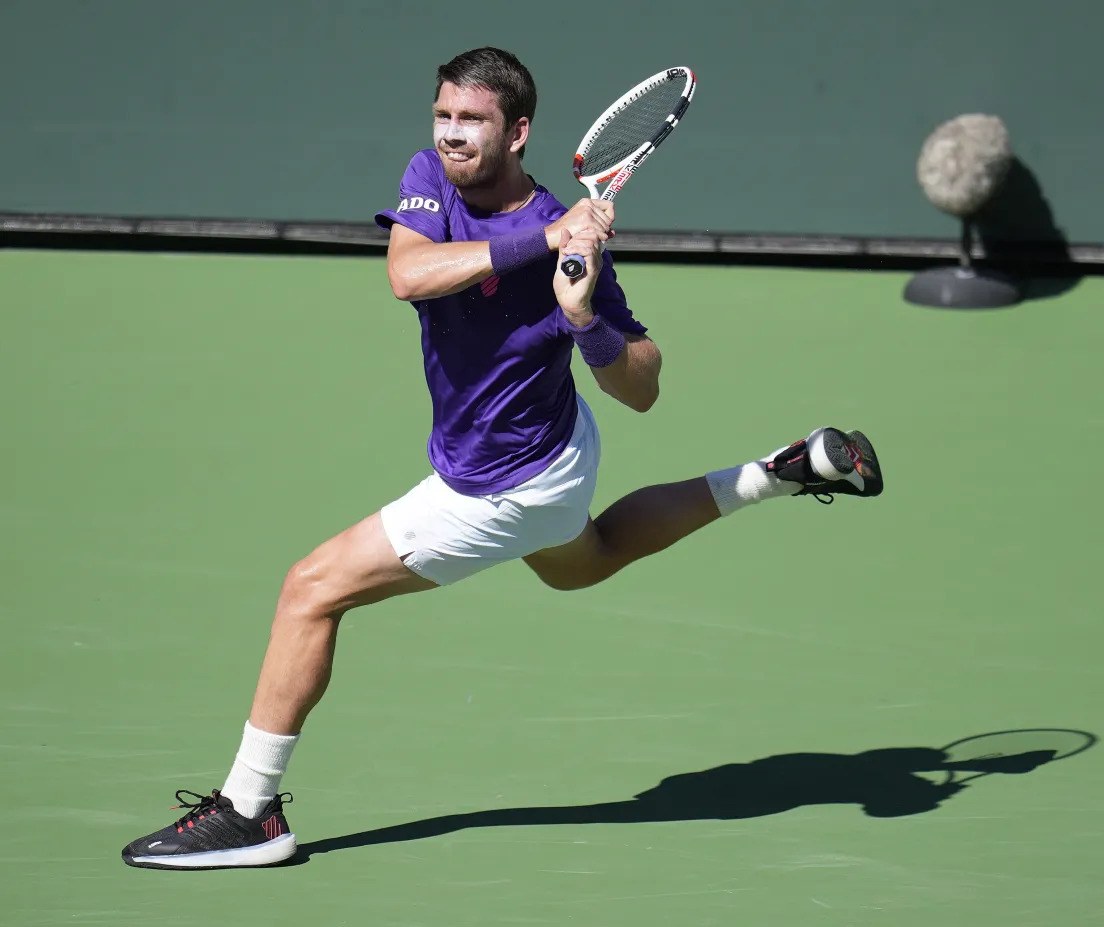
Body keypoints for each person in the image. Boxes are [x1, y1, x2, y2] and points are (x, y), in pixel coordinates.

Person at [120, 46, 882, 871]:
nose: (450, 135)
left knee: (310, 589)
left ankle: (249, 811)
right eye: (443, 115)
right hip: (553, 457)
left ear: (518, 133)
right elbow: (409, 275)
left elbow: (644, 385)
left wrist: (585, 318)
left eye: (472, 121)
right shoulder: (439, 179)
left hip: (505, 485)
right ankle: (781, 470)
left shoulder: (569, 242)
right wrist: (539, 241)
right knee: (586, 561)